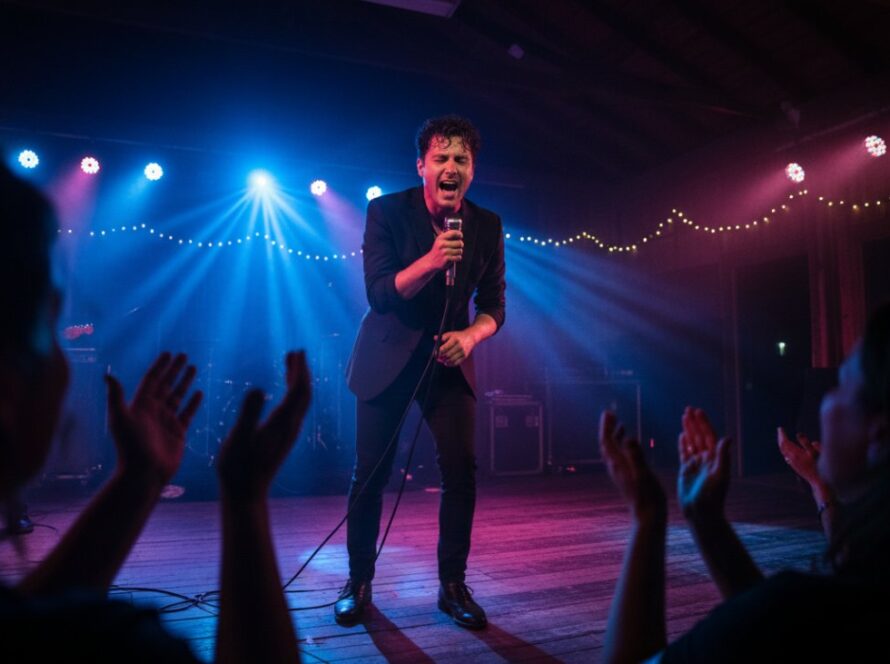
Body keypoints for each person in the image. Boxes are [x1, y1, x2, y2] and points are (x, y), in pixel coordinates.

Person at [0, 163, 310, 663]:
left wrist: (137, 479)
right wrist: (246, 498)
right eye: (50, 322)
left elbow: (28, 633)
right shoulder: (123, 645)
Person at [598, 301, 890, 663]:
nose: (827, 399)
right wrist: (707, 519)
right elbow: (782, 640)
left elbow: (778, 624)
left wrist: (647, 518)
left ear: (879, 434)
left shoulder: (815, 607)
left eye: (842, 383)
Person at [337, 115, 506, 629]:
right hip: (387, 355)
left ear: (472, 171)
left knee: (461, 471)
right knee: (371, 474)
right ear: (422, 166)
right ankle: (359, 581)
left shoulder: (487, 225)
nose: (451, 167)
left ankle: (452, 586)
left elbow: (494, 305)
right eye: (442, 158)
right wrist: (433, 260)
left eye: (461, 160)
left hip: (446, 360)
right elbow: (381, 293)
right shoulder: (386, 211)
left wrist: (471, 336)